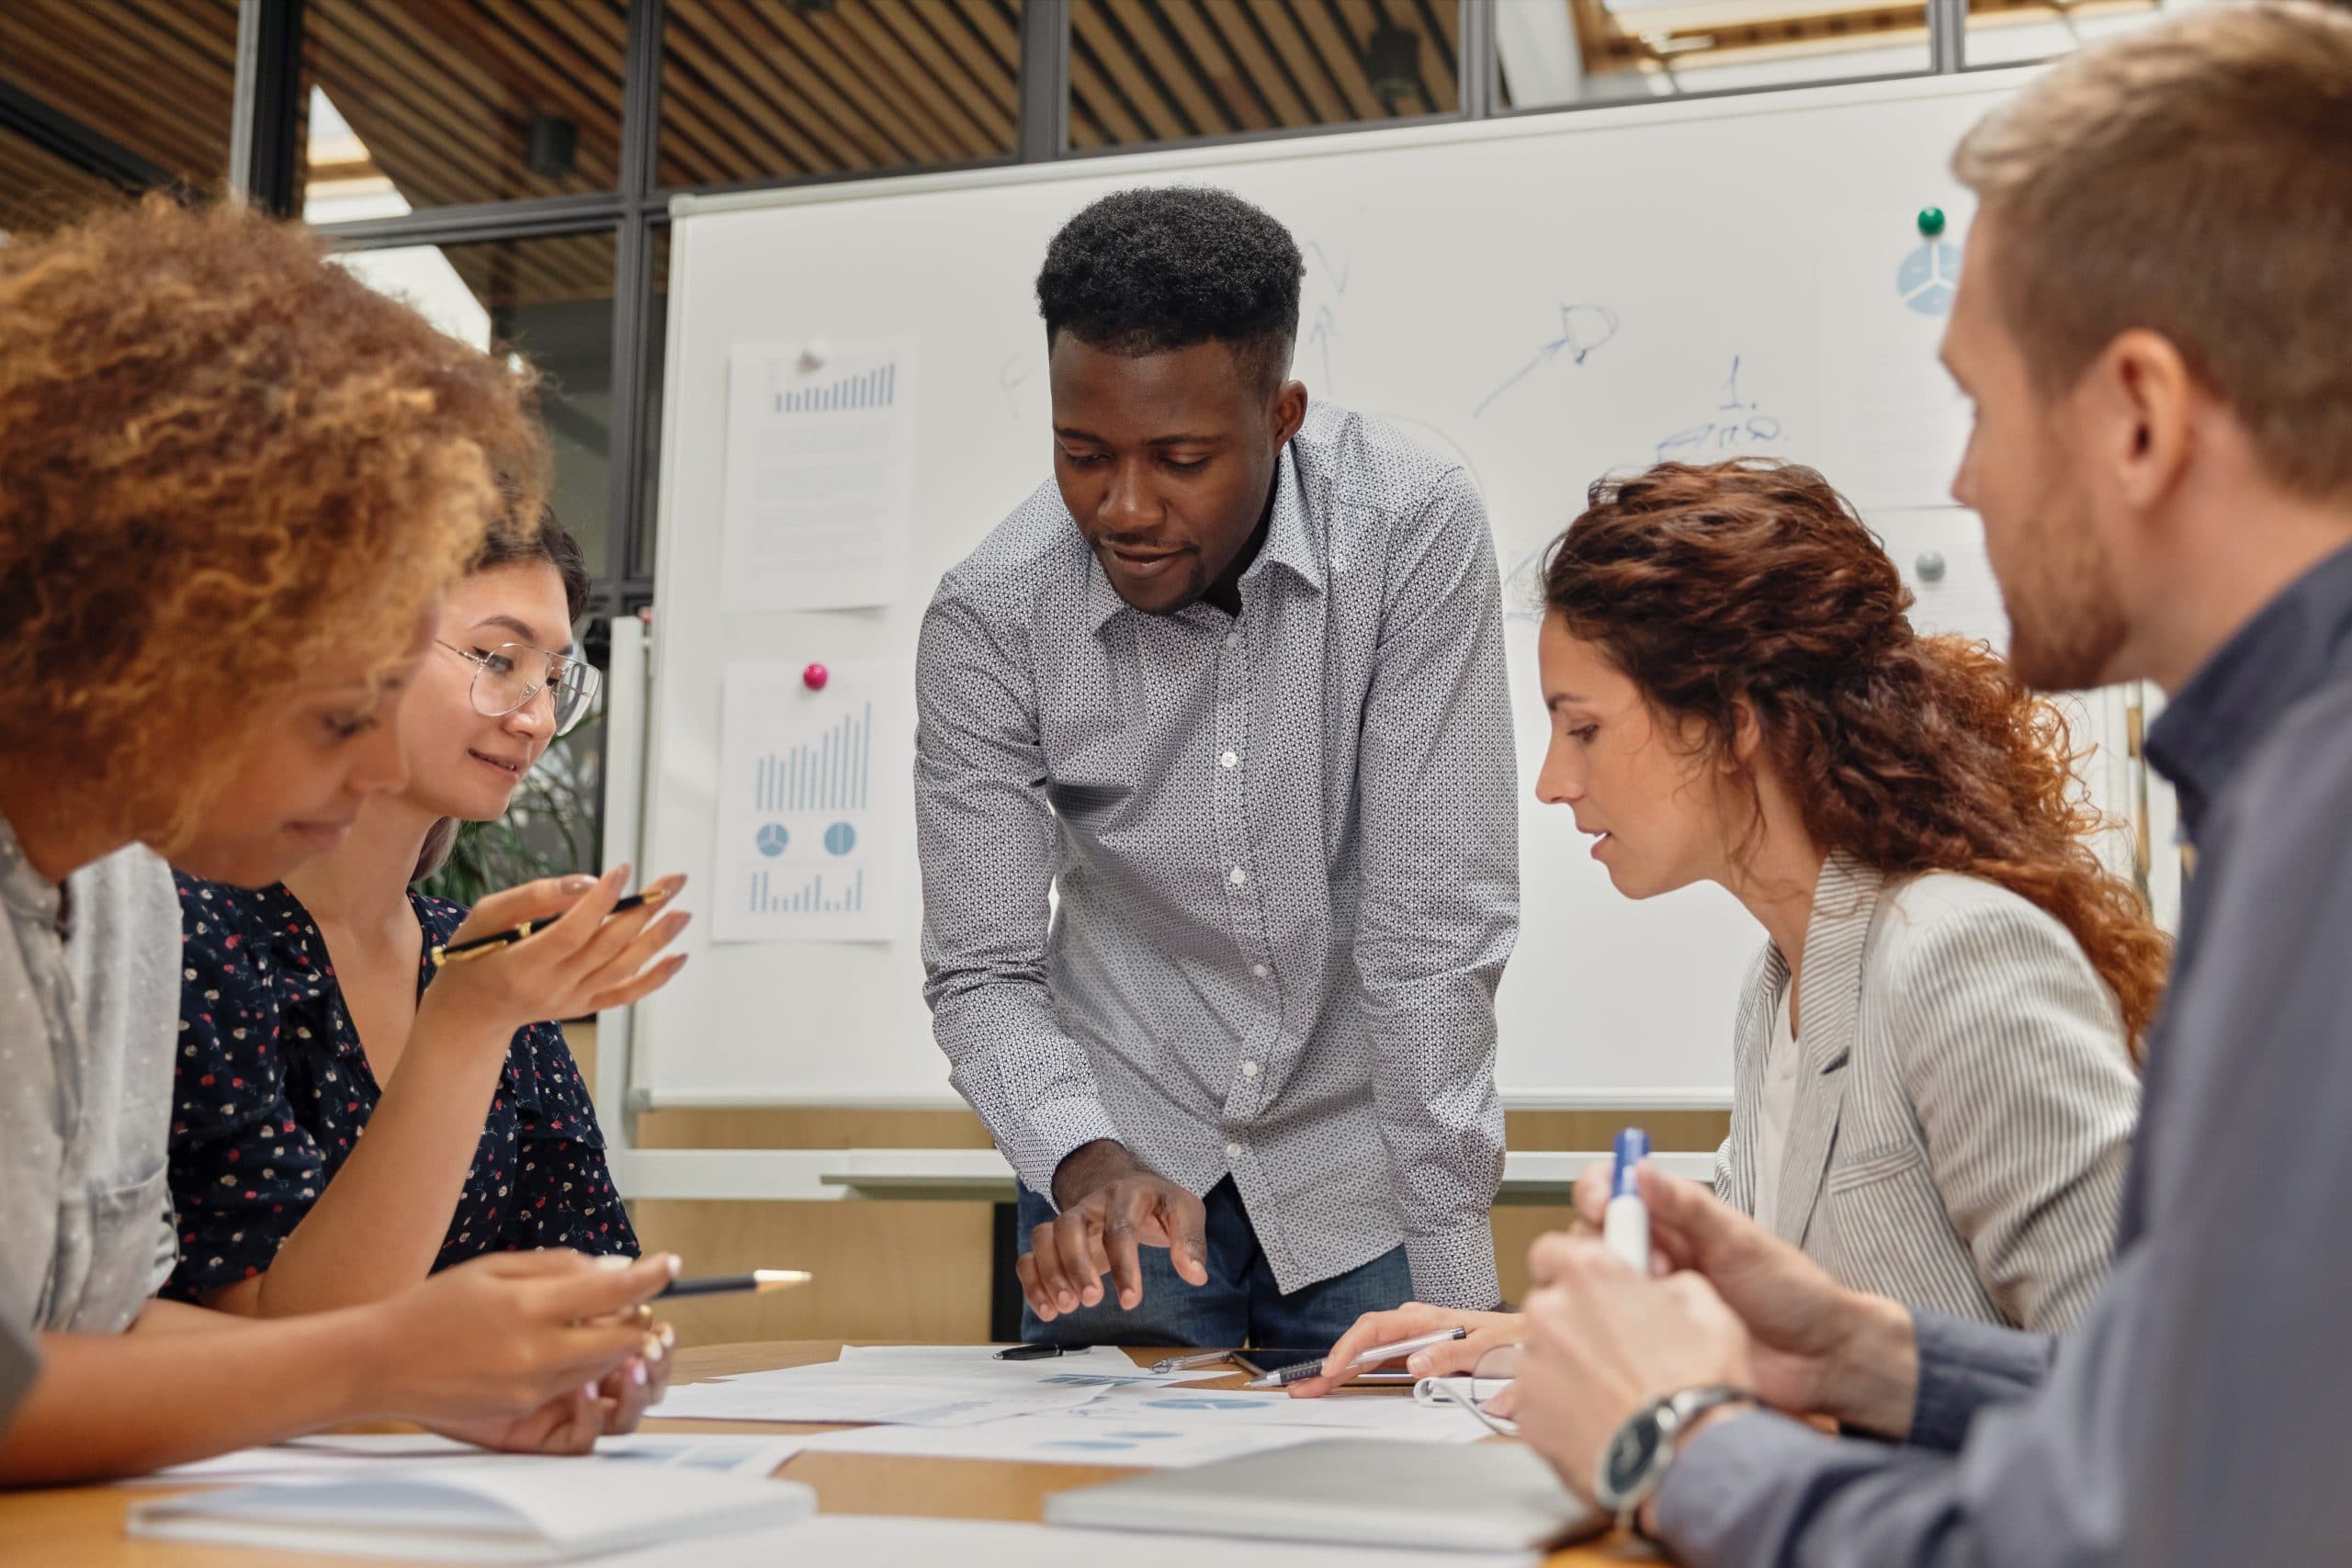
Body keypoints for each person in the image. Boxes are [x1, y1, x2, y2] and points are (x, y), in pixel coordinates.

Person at [1499, 6, 2352, 1561]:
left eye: (1978, 402)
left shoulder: (2313, 838)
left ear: (2142, 414)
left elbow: (2143, 1529)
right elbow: (2173, 1416)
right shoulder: (2282, 796)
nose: (1959, 479)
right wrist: (1859, 1353)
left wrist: (1673, 1441)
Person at [0, 197, 675, 1485]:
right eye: (335, 713)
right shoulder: (192, 917)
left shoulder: (128, 903)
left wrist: (436, 1369)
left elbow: (104, 1329)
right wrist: (379, 1362)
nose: (375, 772)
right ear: (144, 651)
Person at [1294, 459, 2159, 1393]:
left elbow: (2140, 1395)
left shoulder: (1955, 954)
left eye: (1581, 729)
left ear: (1733, 721)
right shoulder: (1779, 985)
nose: (1551, 781)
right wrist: (1526, 1338)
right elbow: (1763, 1336)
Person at [915, 186, 1520, 1347]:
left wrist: (1451, 1281)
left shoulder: (1410, 526)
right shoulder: (992, 617)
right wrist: (1084, 1162)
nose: (1124, 507)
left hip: (1362, 1176)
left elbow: (1430, 929)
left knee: (1391, 1518)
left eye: (1181, 458)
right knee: (1107, 1525)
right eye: (1081, 454)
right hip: (1121, 1156)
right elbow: (980, 971)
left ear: (1282, 413)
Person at [164, 500, 688, 1427]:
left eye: (555, 678)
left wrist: (612, 1351)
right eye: (496, 661)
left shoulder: (479, 950)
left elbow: (594, 1270)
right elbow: (279, 1342)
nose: (532, 719)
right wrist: (469, 1019)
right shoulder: (198, 927)